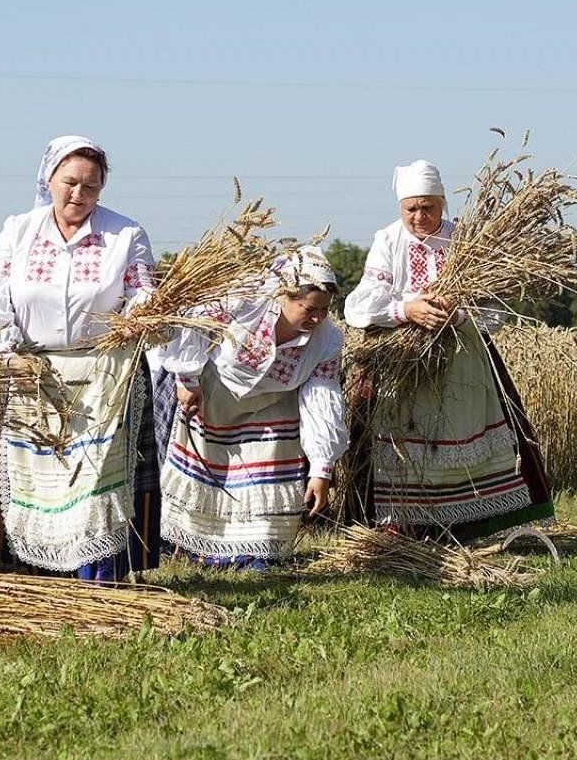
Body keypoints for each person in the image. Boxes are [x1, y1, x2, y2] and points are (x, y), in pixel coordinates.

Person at [0, 135, 161, 582]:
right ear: (49, 179)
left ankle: (100, 576)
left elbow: (143, 295)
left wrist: (134, 321)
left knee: (96, 478)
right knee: (45, 474)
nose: (79, 195)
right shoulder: (19, 230)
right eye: (70, 182)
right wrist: (7, 353)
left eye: (90, 187)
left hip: (106, 373)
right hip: (34, 373)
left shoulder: (125, 234)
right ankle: (47, 578)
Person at [343, 160, 554, 541]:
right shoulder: (388, 240)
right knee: (405, 434)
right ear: (400, 208)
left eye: (429, 208)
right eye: (412, 209)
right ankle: (402, 526)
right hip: (402, 361)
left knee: (462, 428)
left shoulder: (466, 239)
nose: (420, 217)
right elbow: (359, 304)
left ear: (443, 203)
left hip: (463, 359)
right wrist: (406, 309)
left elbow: (496, 307)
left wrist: (457, 315)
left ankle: (472, 525)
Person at [153, 246, 347, 569]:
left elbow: (322, 400)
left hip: (272, 407)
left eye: (324, 310)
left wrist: (321, 467)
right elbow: (191, 323)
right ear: (284, 296)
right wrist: (187, 380)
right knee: (210, 473)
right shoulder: (241, 302)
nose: (317, 318)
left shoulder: (326, 341)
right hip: (213, 392)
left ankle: (253, 552)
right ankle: (198, 548)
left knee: (261, 477)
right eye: (309, 308)